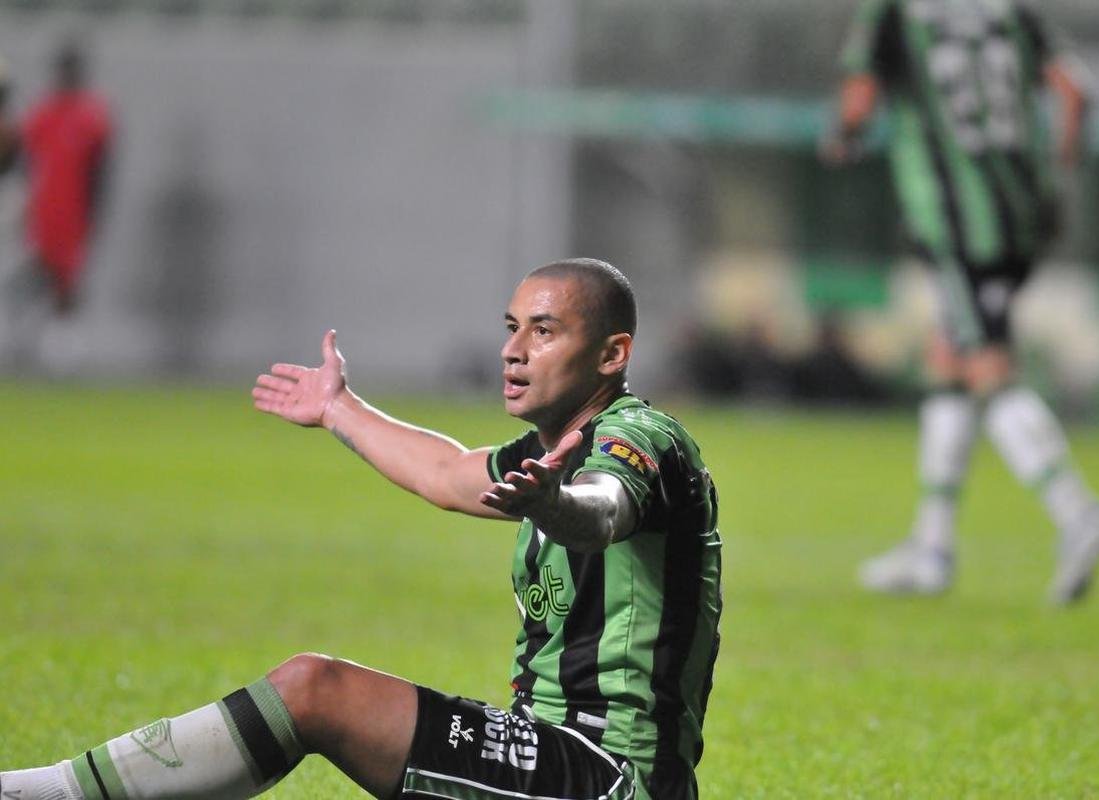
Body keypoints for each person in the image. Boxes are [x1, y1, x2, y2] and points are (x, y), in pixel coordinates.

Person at [1, 258, 723, 800]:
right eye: (511, 328)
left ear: (610, 354)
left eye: (544, 331)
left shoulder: (642, 438)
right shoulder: (544, 452)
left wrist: (554, 507)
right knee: (313, 690)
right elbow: (444, 473)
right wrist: (338, 408)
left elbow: (602, 510)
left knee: (316, 690)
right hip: (545, 752)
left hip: (606, 776)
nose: (513, 350)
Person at [823, 0, 1099, 603]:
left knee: (986, 363)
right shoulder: (1013, 11)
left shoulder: (895, 12)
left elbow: (859, 98)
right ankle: (932, 548)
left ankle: (1076, 511)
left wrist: (845, 136)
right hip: (1021, 213)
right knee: (949, 361)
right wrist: (1057, 175)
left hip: (954, 218)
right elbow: (1075, 93)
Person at [21, 38, 112, 315]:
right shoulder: (42, 113)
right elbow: (26, 163)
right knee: (39, 270)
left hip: (75, 208)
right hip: (45, 205)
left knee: (70, 274)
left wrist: (95, 209)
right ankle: (36, 328)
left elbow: (102, 168)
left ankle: (66, 333)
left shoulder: (92, 115)